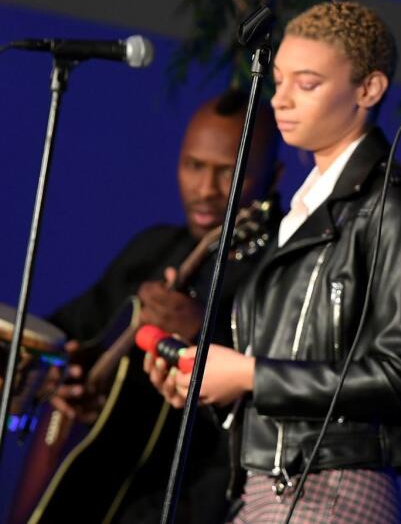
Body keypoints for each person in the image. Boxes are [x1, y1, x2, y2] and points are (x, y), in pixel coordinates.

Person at [147, 0, 401, 523]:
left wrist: (246, 374)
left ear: (368, 89)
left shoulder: (393, 205)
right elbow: (287, 373)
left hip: (330, 487)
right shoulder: (303, 210)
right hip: (272, 486)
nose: (281, 100)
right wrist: (211, 382)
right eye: (279, 80)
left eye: (306, 84)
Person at [28, 90, 278, 524]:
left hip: (193, 502)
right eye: (193, 166)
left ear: (271, 179)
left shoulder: (278, 270)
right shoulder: (154, 248)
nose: (205, 190)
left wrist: (203, 332)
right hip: (99, 488)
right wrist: (64, 377)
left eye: (228, 173)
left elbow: (275, 399)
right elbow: (60, 330)